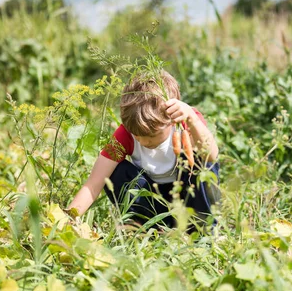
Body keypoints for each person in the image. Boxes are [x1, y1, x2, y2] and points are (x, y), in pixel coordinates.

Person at [66, 70, 220, 231]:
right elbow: (93, 184)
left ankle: (204, 229)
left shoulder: (186, 121)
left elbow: (212, 156)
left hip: (189, 199)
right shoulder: (125, 134)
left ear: (170, 119)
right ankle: (145, 227)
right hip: (153, 201)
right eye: (137, 135)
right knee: (115, 172)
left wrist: (192, 119)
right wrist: (67, 221)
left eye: (152, 135)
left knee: (202, 161)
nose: (144, 141)